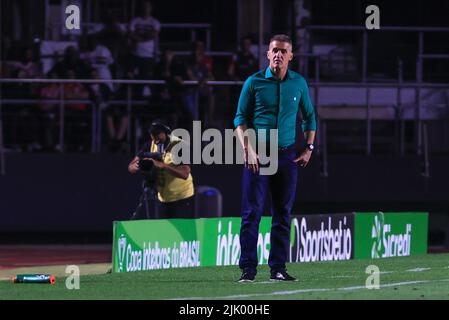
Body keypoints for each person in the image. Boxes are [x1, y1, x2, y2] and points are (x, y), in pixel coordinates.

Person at [234, 34, 316, 282]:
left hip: (287, 157)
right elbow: (239, 119)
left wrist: (309, 147)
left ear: (291, 56)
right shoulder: (253, 82)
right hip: (258, 155)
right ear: (268, 54)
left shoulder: (299, 83)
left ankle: (278, 268)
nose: (278, 55)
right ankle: (248, 269)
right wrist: (248, 149)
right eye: (274, 50)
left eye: (283, 51)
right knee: (252, 214)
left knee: (282, 214)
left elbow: (310, 117)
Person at [128, 119, 195, 219]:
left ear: (166, 133)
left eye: (158, 136)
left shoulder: (179, 146)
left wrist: (164, 165)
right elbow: (131, 165)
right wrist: (134, 166)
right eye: (153, 137)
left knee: (183, 231)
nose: (155, 141)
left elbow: (185, 174)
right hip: (163, 198)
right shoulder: (150, 144)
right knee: (165, 232)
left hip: (182, 198)